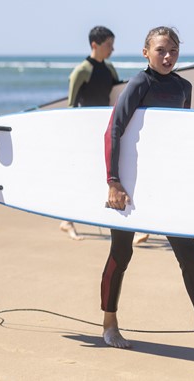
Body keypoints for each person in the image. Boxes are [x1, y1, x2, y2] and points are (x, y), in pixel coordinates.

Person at [101, 26, 194, 348]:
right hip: (130, 184)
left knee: (189, 256)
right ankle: (110, 322)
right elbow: (113, 131)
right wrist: (113, 181)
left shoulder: (183, 87)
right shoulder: (139, 83)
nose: (168, 56)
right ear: (146, 52)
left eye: (173, 50)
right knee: (121, 252)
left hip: (166, 186)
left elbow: (175, 140)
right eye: (161, 50)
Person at [60, 26, 119, 240]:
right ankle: (67, 221)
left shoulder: (110, 70)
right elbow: (70, 106)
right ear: (95, 45)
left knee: (104, 174)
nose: (112, 49)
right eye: (108, 45)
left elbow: (116, 98)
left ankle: (108, 218)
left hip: (104, 129)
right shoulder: (82, 71)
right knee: (80, 174)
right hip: (85, 130)